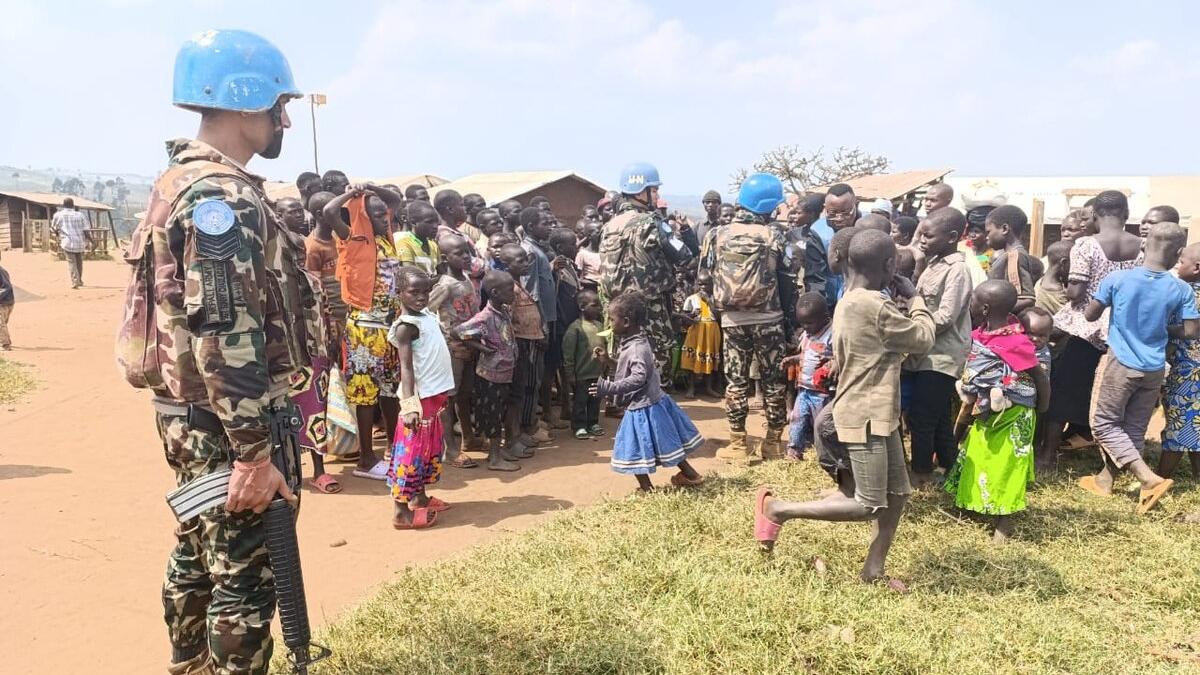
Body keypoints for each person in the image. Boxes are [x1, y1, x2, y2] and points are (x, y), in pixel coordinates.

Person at [114, 29, 318, 674]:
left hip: (192, 414)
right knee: (245, 579)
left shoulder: (181, 182)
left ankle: (188, 664)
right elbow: (226, 333)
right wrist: (255, 454)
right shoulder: (221, 197)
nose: (284, 118)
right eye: (277, 104)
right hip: (227, 423)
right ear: (244, 102)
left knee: (199, 555)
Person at [754, 229, 932, 591]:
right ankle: (779, 509)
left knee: (898, 494)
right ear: (888, 266)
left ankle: (873, 570)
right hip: (866, 413)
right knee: (868, 503)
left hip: (877, 411)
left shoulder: (850, 297)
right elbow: (923, 339)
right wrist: (916, 298)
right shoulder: (873, 304)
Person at [1079, 221, 1197, 514]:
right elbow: (1192, 330)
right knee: (1132, 427)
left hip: (1121, 362)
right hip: (1155, 367)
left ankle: (1148, 479)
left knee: (1104, 424)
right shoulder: (1181, 288)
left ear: (1144, 245)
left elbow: (1091, 315)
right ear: (1178, 251)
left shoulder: (1119, 279)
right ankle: (1105, 481)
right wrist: (1162, 327)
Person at [945, 280, 1049, 543]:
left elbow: (1039, 377)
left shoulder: (1015, 341)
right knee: (978, 456)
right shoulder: (984, 333)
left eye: (974, 301)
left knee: (1008, 464)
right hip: (987, 411)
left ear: (985, 308)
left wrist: (1043, 409)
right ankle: (969, 505)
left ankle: (1004, 524)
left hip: (1015, 414)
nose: (971, 304)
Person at [1047, 191, 1143, 465]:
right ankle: (1111, 457)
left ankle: (1047, 453)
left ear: (1096, 216)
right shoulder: (1142, 246)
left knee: (1066, 386)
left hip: (1087, 325)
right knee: (1110, 393)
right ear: (1126, 214)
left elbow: (1076, 292)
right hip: (1123, 328)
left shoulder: (1086, 245)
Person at [709, 173, 793, 463]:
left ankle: (737, 445)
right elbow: (788, 279)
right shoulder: (774, 236)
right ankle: (772, 444)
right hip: (770, 319)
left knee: (736, 382)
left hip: (732, 321)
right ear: (769, 206)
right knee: (773, 382)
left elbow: (704, 278)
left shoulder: (717, 234)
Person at [324, 183, 406, 480]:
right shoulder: (352, 239)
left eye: (385, 214)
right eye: (377, 214)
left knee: (389, 391)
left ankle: (393, 451)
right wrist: (353, 193)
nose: (385, 217)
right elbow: (329, 211)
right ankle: (366, 460)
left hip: (389, 328)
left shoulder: (387, 241)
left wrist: (370, 187)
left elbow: (395, 198)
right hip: (364, 329)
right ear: (363, 216)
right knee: (364, 395)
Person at [591, 291, 704, 490]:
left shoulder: (635, 347)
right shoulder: (635, 342)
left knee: (634, 447)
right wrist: (609, 361)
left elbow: (638, 377)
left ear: (626, 321)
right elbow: (633, 368)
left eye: (611, 319)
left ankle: (646, 489)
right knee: (666, 443)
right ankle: (690, 475)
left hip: (642, 408)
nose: (609, 323)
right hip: (652, 404)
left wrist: (609, 388)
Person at [599, 162, 693, 375]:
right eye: (654, 190)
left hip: (619, 310)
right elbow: (684, 255)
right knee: (656, 366)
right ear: (642, 193)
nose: (657, 195)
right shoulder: (652, 222)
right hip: (649, 309)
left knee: (625, 369)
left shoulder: (609, 226)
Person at [906, 207, 974, 486]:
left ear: (952, 237)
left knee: (922, 416)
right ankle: (952, 467)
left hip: (942, 354)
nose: (922, 240)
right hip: (926, 352)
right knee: (937, 417)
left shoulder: (957, 270)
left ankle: (922, 473)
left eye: (928, 236)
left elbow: (946, 317)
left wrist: (911, 325)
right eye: (921, 234)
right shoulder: (933, 264)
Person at [386, 267, 456, 529]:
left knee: (427, 451)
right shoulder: (406, 327)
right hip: (419, 400)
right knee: (411, 453)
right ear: (399, 293)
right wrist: (409, 405)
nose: (421, 297)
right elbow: (406, 367)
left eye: (425, 291)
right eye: (414, 292)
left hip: (434, 397)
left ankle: (419, 497)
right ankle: (400, 511)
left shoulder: (427, 315)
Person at [454, 271, 520, 472]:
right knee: (493, 415)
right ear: (495, 292)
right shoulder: (485, 317)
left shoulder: (504, 311)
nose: (514, 291)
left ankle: (499, 451)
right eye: (509, 289)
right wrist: (482, 348)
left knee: (500, 412)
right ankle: (494, 457)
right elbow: (457, 331)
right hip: (491, 375)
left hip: (505, 372)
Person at [429, 234, 483, 468]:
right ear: (445, 257)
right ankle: (450, 449)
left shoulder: (467, 280)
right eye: (458, 253)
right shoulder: (445, 285)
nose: (465, 256)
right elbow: (427, 309)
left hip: (469, 344)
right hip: (452, 347)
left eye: (466, 252)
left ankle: (468, 439)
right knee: (448, 398)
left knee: (465, 394)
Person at [499, 244, 545, 457]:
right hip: (518, 344)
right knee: (515, 394)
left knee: (523, 389)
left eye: (525, 260)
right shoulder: (509, 289)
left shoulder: (518, 284)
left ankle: (517, 434)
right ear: (506, 264)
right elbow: (507, 322)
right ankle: (511, 438)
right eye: (519, 260)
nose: (525, 264)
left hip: (528, 342)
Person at [1160, 243, 1200, 481]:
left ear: (1196, 267)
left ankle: (1158, 479)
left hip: (1189, 372)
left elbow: (1188, 329)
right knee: (1194, 423)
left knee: (1180, 423)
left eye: (1181, 262)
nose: (1177, 266)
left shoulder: (1189, 294)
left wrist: (1156, 327)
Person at [520, 207, 559, 433]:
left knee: (540, 372)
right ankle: (529, 426)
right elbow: (530, 292)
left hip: (545, 319)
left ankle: (534, 421)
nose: (550, 227)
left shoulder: (538, 249)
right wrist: (541, 325)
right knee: (532, 375)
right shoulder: (530, 252)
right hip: (537, 323)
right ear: (531, 227)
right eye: (545, 223)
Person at [781, 292, 833, 461]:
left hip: (822, 392)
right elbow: (806, 354)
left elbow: (838, 359)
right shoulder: (807, 334)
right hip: (804, 390)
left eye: (809, 323)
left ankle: (826, 455)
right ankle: (794, 451)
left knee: (822, 425)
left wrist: (829, 366)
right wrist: (792, 360)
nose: (805, 327)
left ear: (825, 318)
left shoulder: (831, 336)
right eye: (802, 323)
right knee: (797, 419)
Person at [562, 289, 605, 439]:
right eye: (595, 305)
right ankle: (579, 425)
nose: (598, 309)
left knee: (595, 400)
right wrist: (570, 375)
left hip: (597, 373)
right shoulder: (575, 329)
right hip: (581, 374)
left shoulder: (600, 326)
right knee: (580, 402)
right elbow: (568, 354)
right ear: (582, 307)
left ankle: (593, 422)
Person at [986, 205, 1044, 313]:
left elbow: (1025, 298)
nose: (987, 237)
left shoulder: (1014, 257)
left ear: (1004, 229)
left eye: (988, 232)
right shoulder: (1008, 255)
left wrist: (995, 314)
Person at [679, 268, 721, 399]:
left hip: (711, 331)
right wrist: (692, 316)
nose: (703, 287)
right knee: (692, 358)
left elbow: (719, 316)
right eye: (700, 284)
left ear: (712, 284)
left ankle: (709, 387)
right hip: (696, 331)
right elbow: (684, 319)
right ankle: (691, 387)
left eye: (706, 284)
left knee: (709, 358)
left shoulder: (716, 298)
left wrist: (709, 301)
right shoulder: (691, 299)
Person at [395, 200, 441, 276]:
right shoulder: (404, 243)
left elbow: (441, 272)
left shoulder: (433, 245)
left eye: (437, 222)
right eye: (429, 222)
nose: (435, 226)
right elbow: (411, 277)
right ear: (413, 223)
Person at [51, 197, 88, 289]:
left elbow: (53, 228)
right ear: (73, 205)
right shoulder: (80, 215)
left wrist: (57, 234)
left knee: (72, 262)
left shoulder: (58, 215)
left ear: (63, 205)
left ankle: (75, 281)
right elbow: (86, 230)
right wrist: (92, 241)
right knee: (79, 262)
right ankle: (79, 280)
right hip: (80, 242)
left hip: (67, 242)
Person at [1035, 240, 1072, 316]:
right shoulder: (1057, 293)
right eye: (1075, 262)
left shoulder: (1041, 281)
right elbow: (1071, 318)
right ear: (1064, 262)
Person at [575, 219, 603, 289]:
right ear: (589, 236)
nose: (602, 235)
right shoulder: (582, 254)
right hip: (590, 289)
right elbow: (578, 277)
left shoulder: (605, 252)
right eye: (598, 233)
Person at [0, 253, 12, 350]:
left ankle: (5, 344)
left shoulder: (1, 272)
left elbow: (6, 288)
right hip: (9, 301)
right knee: (3, 323)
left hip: (3, 302)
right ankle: (5, 340)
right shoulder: (3, 270)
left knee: (1, 324)